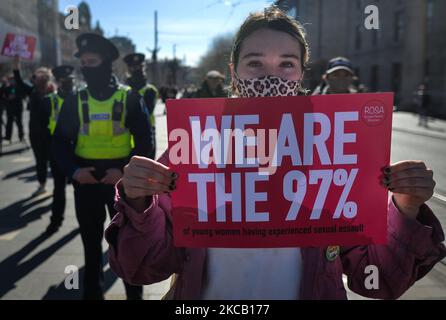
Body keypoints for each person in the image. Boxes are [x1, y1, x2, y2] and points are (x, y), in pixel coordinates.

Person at [105, 7, 445, 300]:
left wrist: (405, 207)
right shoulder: (195, 145)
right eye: (255, 63)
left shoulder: (336, 148)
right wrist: (138, 203)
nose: (271, 76)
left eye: (286, 64)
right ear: (234, 71)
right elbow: (144, 268)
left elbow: (377, 279)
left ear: (301, 72)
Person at [53, 33, 154, 300]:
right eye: (84, 62)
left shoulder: (129, 97)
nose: (87, 66)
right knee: (90, 245)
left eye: (92, 61)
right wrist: (74, 172)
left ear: (107, 62)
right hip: (86, 180)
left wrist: (123, 172)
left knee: (129, 246)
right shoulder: (75, 100)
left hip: (122, 183)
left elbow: (146, 141)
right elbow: (60, 143)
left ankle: (135, 296)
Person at [13, 57, 55, 197]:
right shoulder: (32, 91)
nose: (37, 77)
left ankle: (58, 187)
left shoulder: (54, 93)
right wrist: (16, 65)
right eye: (37, 75)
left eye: (41, 75)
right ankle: (42, 185)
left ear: (47, 77)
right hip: (36, 134)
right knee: (40, 161)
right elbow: (18, 81)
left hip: (52, 134)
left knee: (54, 162)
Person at [43, 65, 76, 234]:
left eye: (70, 80)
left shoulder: (80, 98)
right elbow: (43, 129)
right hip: (58, 150)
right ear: (58, 82)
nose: (69, 83)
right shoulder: (50, 100)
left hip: (78, 151)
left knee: (82, 192)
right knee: (59, 188)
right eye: (65, 81)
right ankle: (55, 221)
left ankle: (87, 221)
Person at [123, 53, 158, 159]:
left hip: (146, 133)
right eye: (132, 67)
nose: (135, 69)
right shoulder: (123, 90)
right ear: (128, 69)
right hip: (126, 134)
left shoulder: (150, 90)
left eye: (138, 67)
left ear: (143, 68)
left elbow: (146, 111)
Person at [3, 74, 25, 144]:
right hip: (10, 108)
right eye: (10, 80)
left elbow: (22, 95)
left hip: (18, 107)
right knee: (9, 123)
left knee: (19, 122)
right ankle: (8, 137)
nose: (12, 81)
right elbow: (5, 96)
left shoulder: (18, 87)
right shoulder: (7, 88)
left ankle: (21, 136)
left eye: (13, 80)